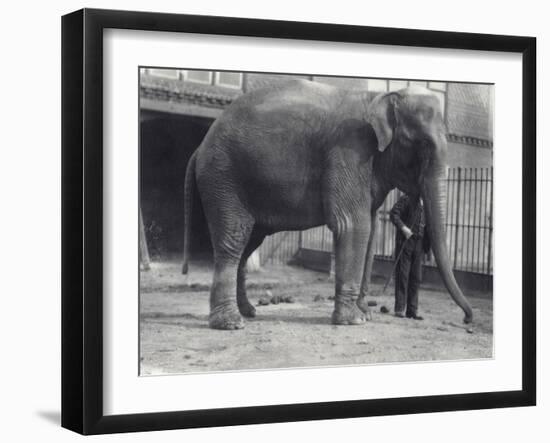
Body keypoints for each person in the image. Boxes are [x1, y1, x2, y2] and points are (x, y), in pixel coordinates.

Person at [389, 194, 431, 320]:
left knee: (416, 277)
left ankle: (412, 310)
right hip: (406, 241)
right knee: (403, 275)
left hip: (419, 243)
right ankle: (400, 309)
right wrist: (403, 228)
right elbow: (393, 214)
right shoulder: (407, 198)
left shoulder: (429, 203)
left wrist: (427, 248)